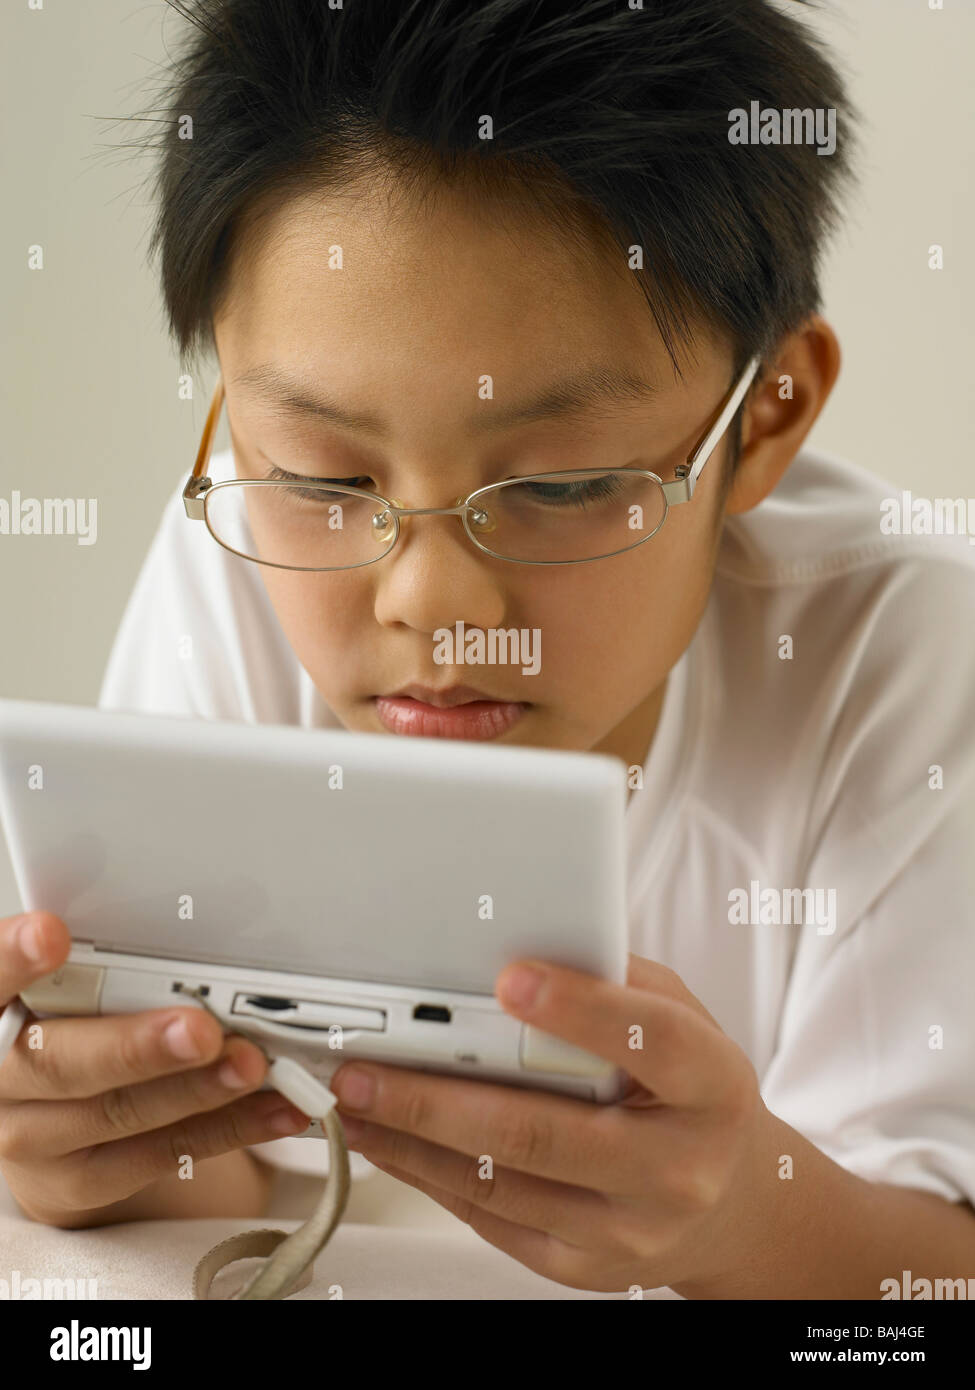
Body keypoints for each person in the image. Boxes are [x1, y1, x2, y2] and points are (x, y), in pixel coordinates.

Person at [2, 0, 974, 1298]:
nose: (429, 597)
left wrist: (745, 1223)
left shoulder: (902, 660)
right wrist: (104, 1141)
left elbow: (939, 1256)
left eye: (565, 486)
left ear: (772, 410)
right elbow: (226, 1142)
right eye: (321, 473)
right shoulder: (237, 565)